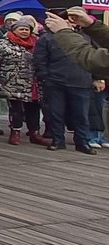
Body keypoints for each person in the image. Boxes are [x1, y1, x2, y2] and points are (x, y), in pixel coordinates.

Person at [34, 14, 94, 153]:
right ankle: (58, 140)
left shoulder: (85, 37)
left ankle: (82, 142)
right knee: (56, 113)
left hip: (81, 81)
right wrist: (45, 78)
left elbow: (93, 58)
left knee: (81, 115)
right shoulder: (46, 38)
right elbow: (40, 60)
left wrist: (98, 78)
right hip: (55, 82)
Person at [0, 16, 44, 146]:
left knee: (33, 108)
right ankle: (15, 132)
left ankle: (34, 133)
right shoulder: (2, 44)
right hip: (11, 81)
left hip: (33, 82)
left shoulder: (38, 43)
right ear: (14, 30)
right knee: (16, 109)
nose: (24, 32)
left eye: (27, 29)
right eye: (21, 29)